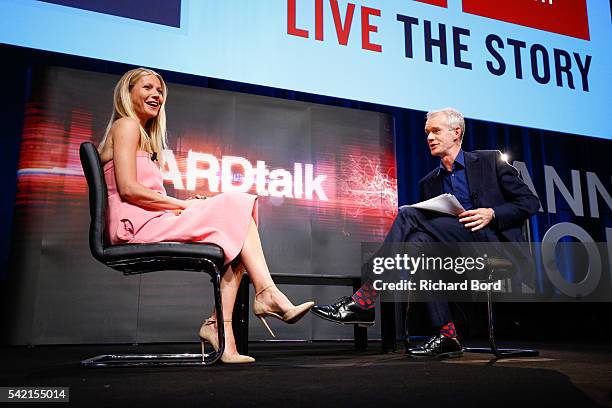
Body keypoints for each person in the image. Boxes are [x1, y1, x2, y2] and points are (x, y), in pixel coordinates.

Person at [98, 68, 314, 364]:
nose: (156, 95)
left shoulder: (142, 137)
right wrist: (180, 205)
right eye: (148, 88)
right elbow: (129, 189)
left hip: (147, 220)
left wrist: (186, 203)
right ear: (128, 91)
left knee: (236, 228)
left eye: (160, 91)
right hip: (135, 226)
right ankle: (265, 295)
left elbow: (141, 192)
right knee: (237, 205)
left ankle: (223, 328)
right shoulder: (126, 125)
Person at [311, 108, 540, 358]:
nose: (429, 137)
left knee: (409, 215)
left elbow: (529, 203)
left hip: (491, 242)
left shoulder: (488, 161)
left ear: (456, 133)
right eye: (427, 132)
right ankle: (448, 336)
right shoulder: (428, 183)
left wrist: (491, 213)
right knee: (419, 243)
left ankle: (365, 299)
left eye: (436, 131)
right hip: (453, 250)